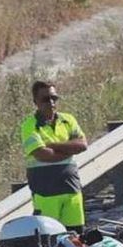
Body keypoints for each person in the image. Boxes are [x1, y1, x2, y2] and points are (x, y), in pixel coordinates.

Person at [21, 81, 87, 232]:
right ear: (35, 102)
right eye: (45, 99)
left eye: (54, 98)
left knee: (77, 237)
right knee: (51, 240)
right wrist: (69, 148)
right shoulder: (29, 126)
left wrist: (54, 145)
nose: (51, 102)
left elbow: (82, 145)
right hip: (46, 194)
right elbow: (42, 155)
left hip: (71, 190)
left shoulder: (68, 120)